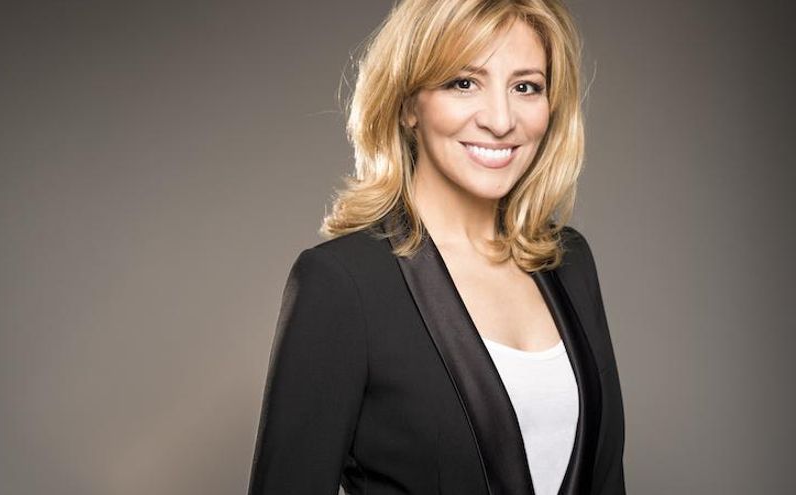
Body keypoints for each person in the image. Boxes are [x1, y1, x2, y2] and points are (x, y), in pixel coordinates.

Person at [247, 0, 626, 494]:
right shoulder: (343, 284)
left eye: (525, 87)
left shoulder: (568, 262)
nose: (500, 120)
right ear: (408, 104)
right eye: (463, 83)